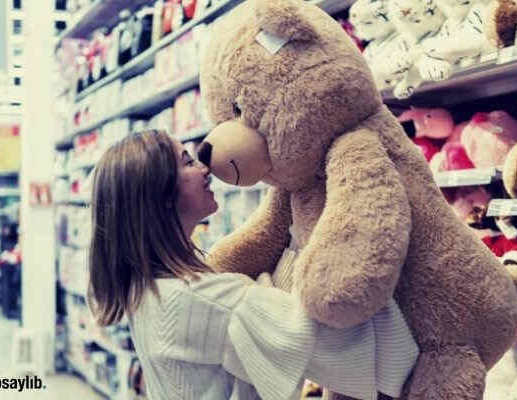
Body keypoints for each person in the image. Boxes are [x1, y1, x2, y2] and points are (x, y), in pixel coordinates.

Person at [87, 130, 419, 400]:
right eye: (187, 162)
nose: (205, 169)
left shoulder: (147, 286)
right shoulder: (197, 298)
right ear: (159, 196)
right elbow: (317, 329)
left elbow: (258, 310)